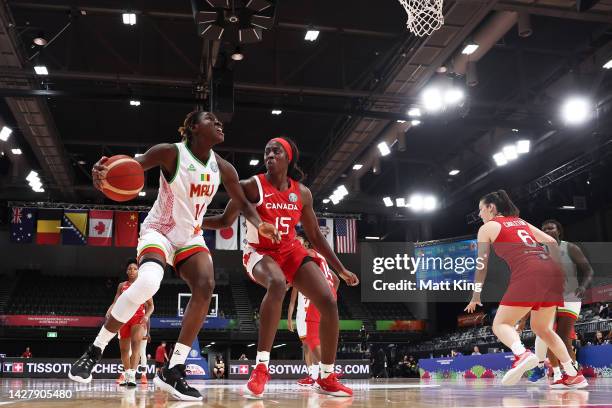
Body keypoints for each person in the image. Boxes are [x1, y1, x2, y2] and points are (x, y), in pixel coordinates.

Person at [68, 111, 279, 402]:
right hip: (160, 230)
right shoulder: (170, 153)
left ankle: (173, 369)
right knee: (148, 284)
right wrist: (105, 171)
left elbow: (241, 203)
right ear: (193, 127)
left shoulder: (223, 167)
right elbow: (132, 166)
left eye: (220, 121)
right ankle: (95, 349)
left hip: (190, 236)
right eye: (211, 119)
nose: (219, 123)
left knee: (206, 285)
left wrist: (260, 223)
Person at [204, 137, 359, 398]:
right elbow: (224, 220)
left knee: (328, 302)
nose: (270, 155)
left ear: (289, 158)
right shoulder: (252, 186)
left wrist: (341, 269)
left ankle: (327, 376)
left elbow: (317, 237)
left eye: (276, 151)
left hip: (290, 251)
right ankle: (261, 367)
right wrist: (197, 223)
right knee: (277, 283)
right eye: (266, 151)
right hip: (259, 252)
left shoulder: (302, 193)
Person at [465, 190, 587, 388]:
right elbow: (551, 241)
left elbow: (481, 265)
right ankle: (573, 374)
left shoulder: (488, 228)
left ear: (491, 208)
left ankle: (522, 354)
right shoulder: (520, 221)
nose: (479, 214)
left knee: (500, 324)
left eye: (480, 209)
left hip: (530, 272)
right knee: (542, 329)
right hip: (551, 272)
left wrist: (476, 294)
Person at [528, 220, 594, 386]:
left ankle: (573, 374)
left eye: (550, 228)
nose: (547, 230)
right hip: (549, 298)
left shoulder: (570, 248)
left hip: (570, 297)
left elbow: (588, 270)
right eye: (543, 229)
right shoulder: (538, 253)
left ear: (559, 230)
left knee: (564, 338)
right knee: (544, 333)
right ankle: (542, 367)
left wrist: (583, 286)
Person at [287, 234, 339, 387]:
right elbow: (335, 280)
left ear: (306, 244)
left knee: (311, 340)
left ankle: (327, 373)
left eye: (299, 242)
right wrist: (332, 297)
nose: (296, 244)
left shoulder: (306, 257)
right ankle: (320, 374)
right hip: (324, 298)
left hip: (315, 300)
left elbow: (289, 270)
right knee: (310, 342)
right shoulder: (319, 258)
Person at [109, 259, 154, 387]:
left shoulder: (144, 286)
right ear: (126, 271)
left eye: (135, 268)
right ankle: (128, 373)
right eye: (130, 269)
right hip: (123, 319)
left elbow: (151, 306)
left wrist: (146, 316)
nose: (132, 271)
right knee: (124, 350)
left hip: (138, 318)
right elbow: (115, 302)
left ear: (138, 271)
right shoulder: (121, 285)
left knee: (136, 346)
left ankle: (133, 376)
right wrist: (109, 311)